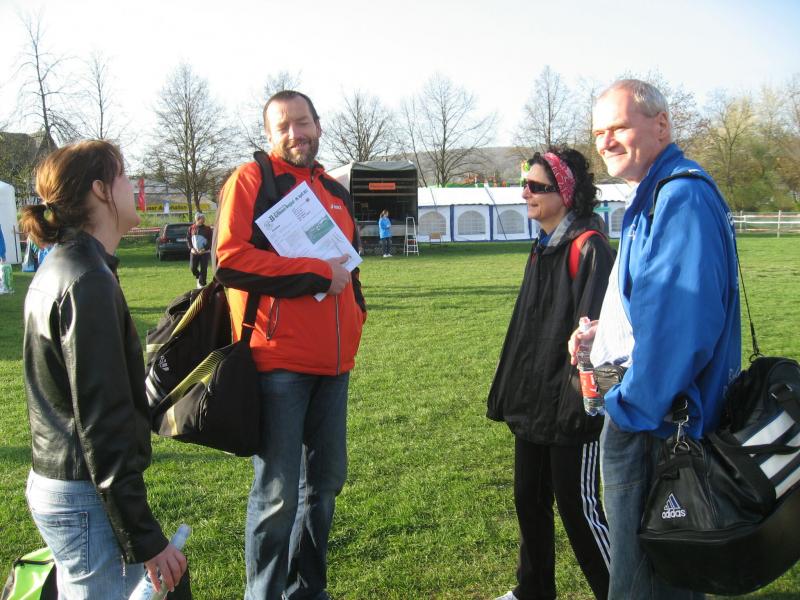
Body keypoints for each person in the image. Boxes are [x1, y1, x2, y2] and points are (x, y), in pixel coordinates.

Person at [569, 79, 741, 599]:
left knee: (643, 584)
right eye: (598, 132)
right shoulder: (655, 193)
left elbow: (683, 329)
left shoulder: (680, 196)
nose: (605, 142)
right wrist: (604, 335)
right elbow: (656, 305)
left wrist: (629, 407)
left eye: (618, 127)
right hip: (652, 417)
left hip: (657, 427)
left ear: (661, 125)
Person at [20, 140, 189, 599]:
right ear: (100, 190)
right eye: (124, 176)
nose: (133, 187)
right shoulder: (87, 278)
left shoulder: (70, 265)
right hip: (84, 493)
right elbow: (102, 421)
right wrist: (144, 537)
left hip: (67, 486)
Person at [215, 90, 366, 600]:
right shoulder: (251, 180)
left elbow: (351, 268)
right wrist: (315, 272)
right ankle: (262, 594)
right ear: (269, 134)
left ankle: (307, 591)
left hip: (335, 365)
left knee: (323, 488)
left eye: (302, 122)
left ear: (318, 125)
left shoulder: (335, 190)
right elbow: (230, 260)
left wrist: (357, 315)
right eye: (282, 126)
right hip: (278, 363)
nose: (294, 134)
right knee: (277, 495)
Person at [488, 147, 614, 600]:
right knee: (529, 498)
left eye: (537, 187)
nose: (526, 194)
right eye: (525, 185)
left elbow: (602, 343)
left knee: (579, 510)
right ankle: (534, 589)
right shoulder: (542, 245)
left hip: (572, 405)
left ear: (566, 193)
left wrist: (586, 405)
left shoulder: (589, 247)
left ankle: (620, 591)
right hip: (534, 401)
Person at [187, 211, 212, 287]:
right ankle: (199, 277)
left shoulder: (208, 229)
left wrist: (204, 249)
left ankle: (202, 284)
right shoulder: (191, 228)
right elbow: (188, 239)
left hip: (204, 252)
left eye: (204, 218)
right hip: (194, 252)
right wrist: (191, 248)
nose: (204, 219)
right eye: (202, 218)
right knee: (192, 268)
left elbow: (211, 240)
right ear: (197, 219)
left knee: (203, 268)